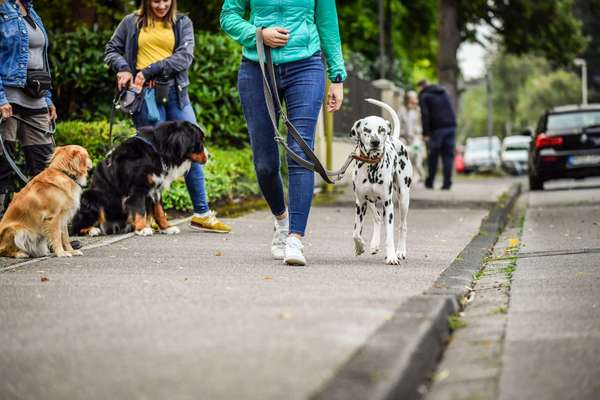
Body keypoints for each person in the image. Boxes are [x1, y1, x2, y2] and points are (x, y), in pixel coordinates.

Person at [220, 0, 346, 266]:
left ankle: (295, 238)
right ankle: (281, 219)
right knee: (265, 163)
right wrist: (258, 34)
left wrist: (336, 76)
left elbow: (327, 22)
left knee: (300, 151)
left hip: (305, 66)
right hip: (257, 68)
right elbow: (228, 16)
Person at [104, 0, 231, 233]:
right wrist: (123, 67)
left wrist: (148, 70)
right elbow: (111, 49)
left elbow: (184, 58)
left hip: (176, 93)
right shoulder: (132, 22)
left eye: (166, 0)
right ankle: (152, 217)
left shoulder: (182, 22)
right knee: (148, 163)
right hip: (145, 96)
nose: (161, 5)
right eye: (155, 0)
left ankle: (202, 212)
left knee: (193, 147)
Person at [0, 0, 57, 214]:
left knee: (45, 166)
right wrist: (0, 99)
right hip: (8, 99)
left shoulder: (31, 9)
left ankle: (48, 231)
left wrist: (48, 98)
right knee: (3, 165)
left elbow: (42, 59)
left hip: (36, 98)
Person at [417, 80, 456, 190]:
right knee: (448, 156)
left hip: (436, 129)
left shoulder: (424, 96)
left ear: (421, 87)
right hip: (451, 126)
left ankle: (430, 182)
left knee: (433, 156)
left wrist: (425, 133)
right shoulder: (443, 92)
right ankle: (447, 183)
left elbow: (425, 115)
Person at [398, 90, 425, 182]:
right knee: (406, 155)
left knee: (417, 155)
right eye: (413, 97)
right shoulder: (402, 110)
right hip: (403, 137)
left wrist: (420, 135)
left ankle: (418, 173)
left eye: (415, 97)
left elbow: (420, 125)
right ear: (408, 99)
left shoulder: (418, 110)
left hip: (415, 138)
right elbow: (398, 123)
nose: (415, 99)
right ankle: (405, 175)